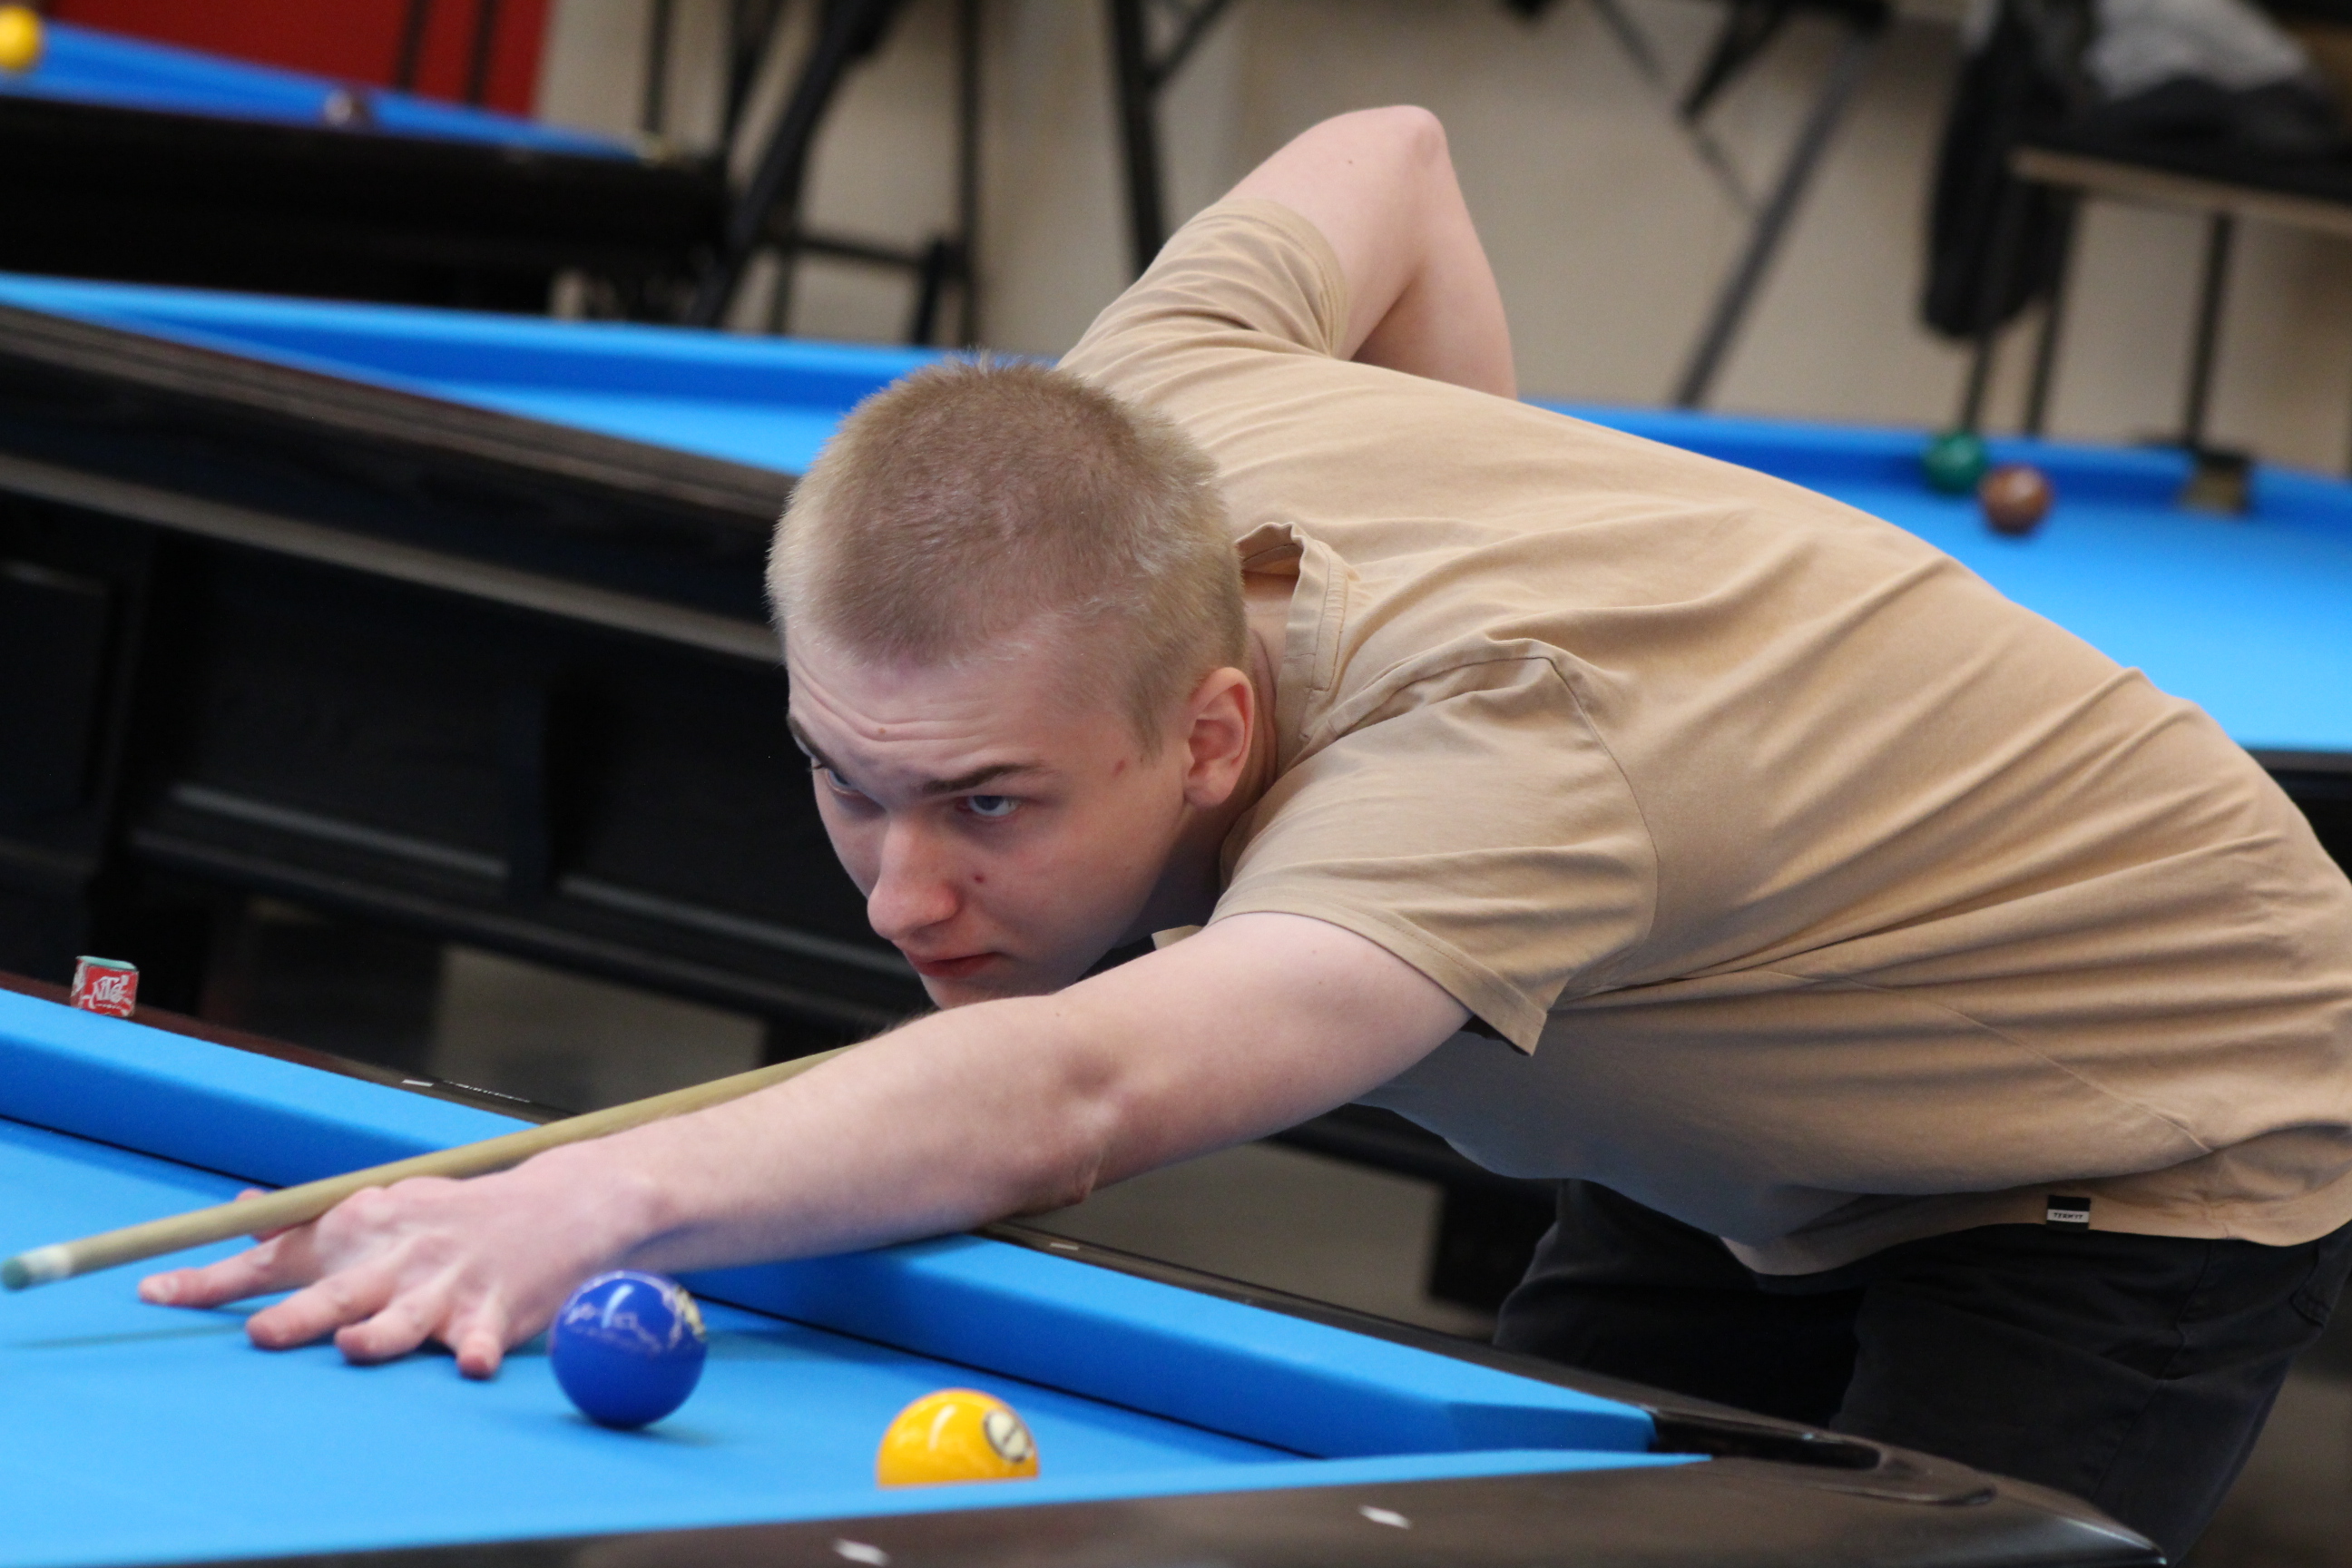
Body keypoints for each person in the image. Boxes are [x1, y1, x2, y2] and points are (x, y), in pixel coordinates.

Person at [141, 107, 2352, 1558]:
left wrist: (596, 1188)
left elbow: (1083, 1094)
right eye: (846, 778)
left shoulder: (1493, 768)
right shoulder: (1139, 419)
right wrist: (1483, 479)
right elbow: (1392, 154)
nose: (902, 889)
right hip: (1747, 1073)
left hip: (2126, 1135)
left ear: (1213, 732)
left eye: (989, 804)